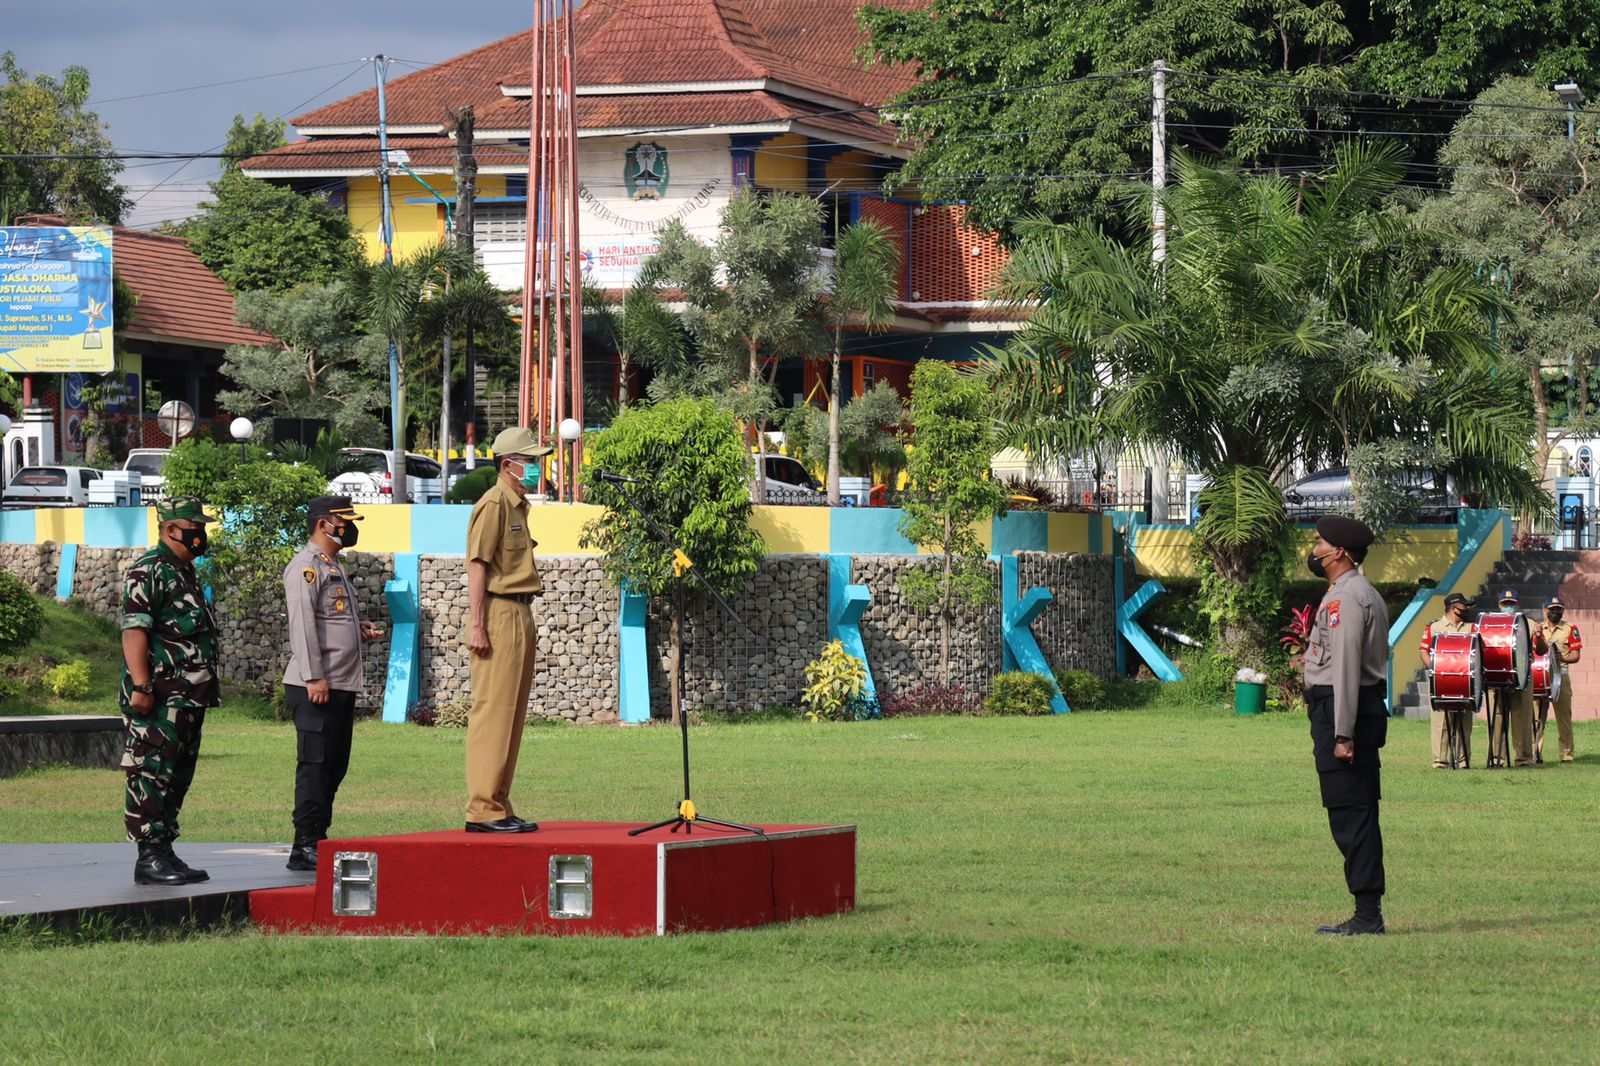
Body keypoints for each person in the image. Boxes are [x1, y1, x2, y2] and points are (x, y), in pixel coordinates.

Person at [117, 497, 220, 886]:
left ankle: (165, 850)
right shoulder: (148, 571)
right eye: (195, 528)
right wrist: (142, 686)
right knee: (151, 773)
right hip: (159, 696)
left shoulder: (184, 571)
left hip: (189, 696)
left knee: (177, 775)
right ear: (170, 529)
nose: (201, 535)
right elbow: (135, 631)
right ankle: (148, 855)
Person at [281, 495, 384, 871]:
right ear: (325, 524)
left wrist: (360, 630)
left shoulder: (332, 566)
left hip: (340, 682)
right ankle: (303, 843)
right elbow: (304, 626)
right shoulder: (305, 568)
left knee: (335, 764)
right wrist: (315, 677)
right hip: (316, 686)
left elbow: (330, 620)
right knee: (315, 763)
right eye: (344, 521)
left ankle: (318, 837)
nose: (349, 527)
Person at [463, 426, 554, 833]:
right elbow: (477, 565)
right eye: (529, 461)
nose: (535, 467)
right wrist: (477, 624)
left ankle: (498, 801)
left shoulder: (517, 504)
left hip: (520, 610)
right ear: (507, 464)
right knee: (493, 711)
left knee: (512, 713)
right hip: (499, 612)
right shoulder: (493, 504)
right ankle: (482, 807)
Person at [1303, 515, 1390, 936]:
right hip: (1351, 709)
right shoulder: (1356, 592)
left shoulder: (1347, 599)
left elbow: (1347, 668)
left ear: (1338, 552)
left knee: (1351, 814)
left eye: (1320, 542)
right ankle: (1366, 911)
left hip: (1343, 711)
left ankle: (1367, 915)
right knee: (1352, 811)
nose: (1314, 548)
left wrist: (1342, 732)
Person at [1419, 592, 1476, 768]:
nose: (1467, 609)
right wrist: (1434, 670)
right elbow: (1423, 650)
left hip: (1465, 683)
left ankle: (1463, 759)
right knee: (1441, 721)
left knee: (1464, 723)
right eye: (1464, 606)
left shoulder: (1471, 628)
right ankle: (1440, 760)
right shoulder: (1434, 627)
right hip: (1441, 683)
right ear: (1454, 608)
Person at [1486, 590, 1540, 769]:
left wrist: (1539, 637)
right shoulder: (1492, 623)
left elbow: (1541, 650)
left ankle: (1523, 758)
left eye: (1511, 603)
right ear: (1499, 605)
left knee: (1522, 718)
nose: (1508, 607)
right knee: (1499, 718)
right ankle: (1497, 758)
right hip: (1499, 676)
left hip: (1523, 677)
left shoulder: (1529, 624)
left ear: (1517, 603)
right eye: (1505, 603)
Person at [1536, 597, 1582, 764]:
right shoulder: (1537, 628)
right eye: (1552, 609)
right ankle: (1535, 753)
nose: (1555, 612)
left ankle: (1566, 755)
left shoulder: (1570, 628)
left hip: (1561, 676)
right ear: (1545, 610)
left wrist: (1560, 657)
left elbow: (1576, 656)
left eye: (1559, 609)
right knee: (1537, 717)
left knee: (1564, 717)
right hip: (1539, 677)